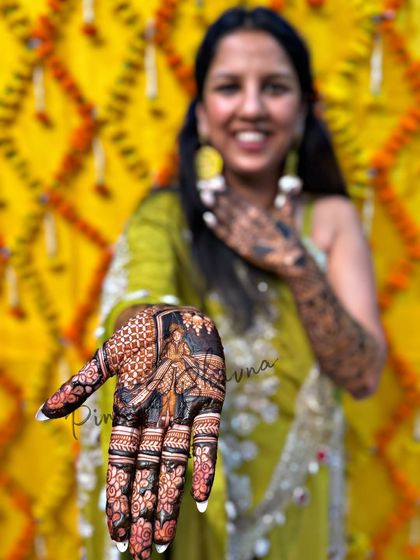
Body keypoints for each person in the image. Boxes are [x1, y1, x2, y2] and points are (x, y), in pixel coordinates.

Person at [36, 7, 386, 560]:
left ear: (301, 114)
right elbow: (139, 296)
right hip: (193, 512)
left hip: (300, 518)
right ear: (201, 115)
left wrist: (297, 264)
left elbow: (363, 374)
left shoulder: (330, 219)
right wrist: (163, 333)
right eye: (229, 88)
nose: (251, 107)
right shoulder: (165, 220)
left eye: (274, 88)